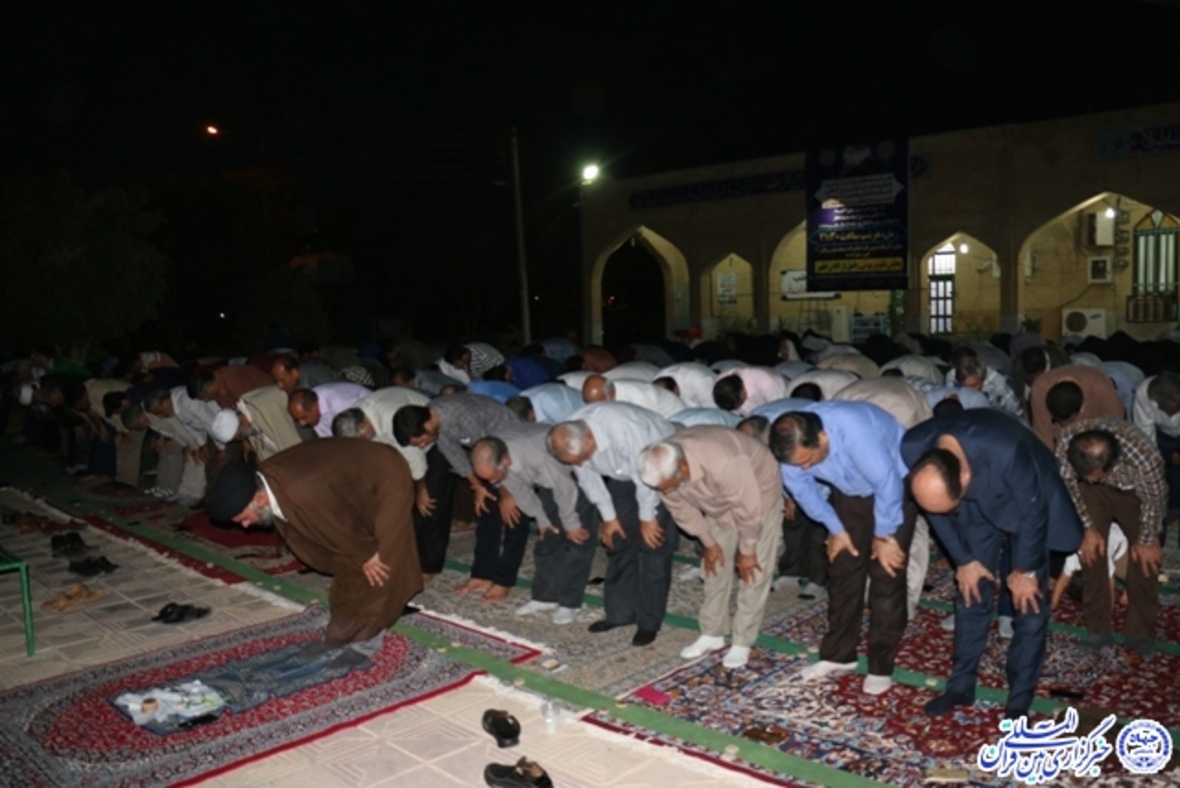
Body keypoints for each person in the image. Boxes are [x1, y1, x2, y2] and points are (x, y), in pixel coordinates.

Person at [902, 408, 1083, 718]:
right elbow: (935, 511)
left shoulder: (1006, 449)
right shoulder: (912, 447)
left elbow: (1034, 513)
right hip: (973, 507)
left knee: (1029, 605)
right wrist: (964, 561)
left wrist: (1025, 570)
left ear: (965, 477)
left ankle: (1019, 698)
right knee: (970, 592)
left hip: (1026, 503)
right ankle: (960, 686)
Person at [205, 442, 420, 648]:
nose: (245, 526)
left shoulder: (299, 490)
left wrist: (367, 553)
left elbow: (341, 523)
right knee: (345, 561)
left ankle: (376, 618)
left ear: (259, 500)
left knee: (382, 562)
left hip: (386, 475)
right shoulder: (269, 485)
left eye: (243, 518)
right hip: (349, 488)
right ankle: (353, 616)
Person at [771, 403, 916, 695]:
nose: (806, 468)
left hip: (896, 486)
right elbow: (804, 491)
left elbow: (887, 483)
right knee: (843, 568)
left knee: (885, 572)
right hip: (850, 492)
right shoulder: (790, 448)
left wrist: (883, 536)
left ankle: (881, 665)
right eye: (799, 464)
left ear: (822, 437)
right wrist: (835, 529)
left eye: (808, 460)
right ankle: (839, 654)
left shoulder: (855, 432)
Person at [639, 426, 782, 669]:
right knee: (714, 565)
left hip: (758, 493)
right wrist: (708, 542)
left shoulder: (723, 462)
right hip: (717, 499)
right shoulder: (665, 468)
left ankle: (742, 641)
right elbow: (681, 509)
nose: (665, 492)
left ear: (683, 467)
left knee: (753, 571)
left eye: (668, 486)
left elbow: (747, 508)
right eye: (661, 488)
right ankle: (712, 633)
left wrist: (747, 550)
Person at [547, 402, 678, 646]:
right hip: (622, 473)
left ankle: (649, 622)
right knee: (618, 541)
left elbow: (645, 478)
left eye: (582, 458)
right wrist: (609, 518)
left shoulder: (626, 430)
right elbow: (588, 479)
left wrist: (647, 518)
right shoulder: (572, 433)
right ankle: (620, 614)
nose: (580, 464)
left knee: (653, 545)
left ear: (589, 440)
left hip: (658, 465)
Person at [1056, 420, 1164, 658]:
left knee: (1145, 558)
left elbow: (1154, 501)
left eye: (1095, 476)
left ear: (1112, 465)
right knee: (1091, 551)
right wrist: (1088, 528)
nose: (1090, 479)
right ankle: (1098, 632)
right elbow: (1070, 487)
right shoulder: (1068, 443)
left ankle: (1140, 634)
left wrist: (1147, 539)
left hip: (1134, 495)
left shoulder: (1145, 459)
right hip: (1093, 496)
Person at [472, 425, 597, 620]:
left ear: (506, 461)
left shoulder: (535, 455)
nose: (493, 483)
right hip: (547, 479)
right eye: (488, 479)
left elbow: (565, 488)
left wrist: (571, 524)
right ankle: (545, 597)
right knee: (548, 537)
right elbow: (520, 491)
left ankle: (569, 602)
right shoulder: (497, 455)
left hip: (576, 473)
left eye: (494, 477)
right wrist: (541, 519)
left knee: (577, 541)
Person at [393, 393, 521, 579]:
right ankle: (475, 572)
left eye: (421, 441)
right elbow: (454, 455)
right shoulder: (436, 420)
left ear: (428, 425)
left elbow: (490, 456)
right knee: (477, 498)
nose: (421, 446)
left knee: (500, 504)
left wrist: (505, 492)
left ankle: (498, 575)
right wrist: (476, 486)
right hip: (482, 446)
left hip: (508, 442)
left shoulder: (464, 417)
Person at [1027, 365, 1124, 449]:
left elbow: (1114, 429)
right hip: (1061, 436)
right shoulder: (1040, 391)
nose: (1063, 424)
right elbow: (1043, 437)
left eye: (1067, 420)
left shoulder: (1100, 387)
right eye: (1058, 420)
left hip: (1098, 426)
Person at [287, 382, 371, 439]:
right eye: (297, 420)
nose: (302, 424)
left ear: (314, 407)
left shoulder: (338, 403)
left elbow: (358, 432)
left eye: (304, 418)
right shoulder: (312, 407)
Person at [580, 374, 685, 419]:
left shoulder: (638, 396)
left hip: (672, 417)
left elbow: (648, 425)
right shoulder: (606, 391)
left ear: (610, 394)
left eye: (597, 403)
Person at [189, 364, 273, 410]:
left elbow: (251, 406)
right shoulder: (217, 392)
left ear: (209, 387)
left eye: (204, 398)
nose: (206, 401)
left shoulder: (231, 380)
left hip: (268, 397)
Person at [713, 367, 790, 416]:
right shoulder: (719, 382)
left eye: (739, 404)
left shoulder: (766, 382)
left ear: (743, 389)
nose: (736, 408)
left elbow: (781, 410)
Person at [270, 354, 338, 392]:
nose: (279, 386)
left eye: (281, 381)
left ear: (295, 373)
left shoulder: (316, 373)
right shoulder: (290, 388)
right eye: (276, 382)